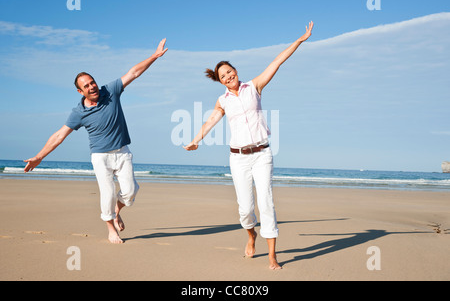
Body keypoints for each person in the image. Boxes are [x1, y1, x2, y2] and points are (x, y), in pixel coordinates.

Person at [184, 22, 313, 269]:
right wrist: (195, 140)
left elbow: (277, 62)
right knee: (245, 209)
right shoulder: (222, 100)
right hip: (238, 158)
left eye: (230, 71)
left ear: (235, 70)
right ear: (219, 81)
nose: (228, 76)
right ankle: (251, 235)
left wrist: (299, 40)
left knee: (266, 201)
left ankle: (273, 255)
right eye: (223, 76)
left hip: (262, 154)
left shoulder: (254, 86)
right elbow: (211, 120)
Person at [24, 39, 168, 244]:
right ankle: (111, 229)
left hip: (122, 151)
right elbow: (59, 135)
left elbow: (133, 73)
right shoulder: (79, 113)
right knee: (107, 193)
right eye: (86, 86)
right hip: (100, 157)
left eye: (92, 82)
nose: (92, 87)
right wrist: (39, 156)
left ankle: (116, 212)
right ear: (79, 91)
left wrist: (154, 57)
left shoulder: (110, 91)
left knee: (131, 191)